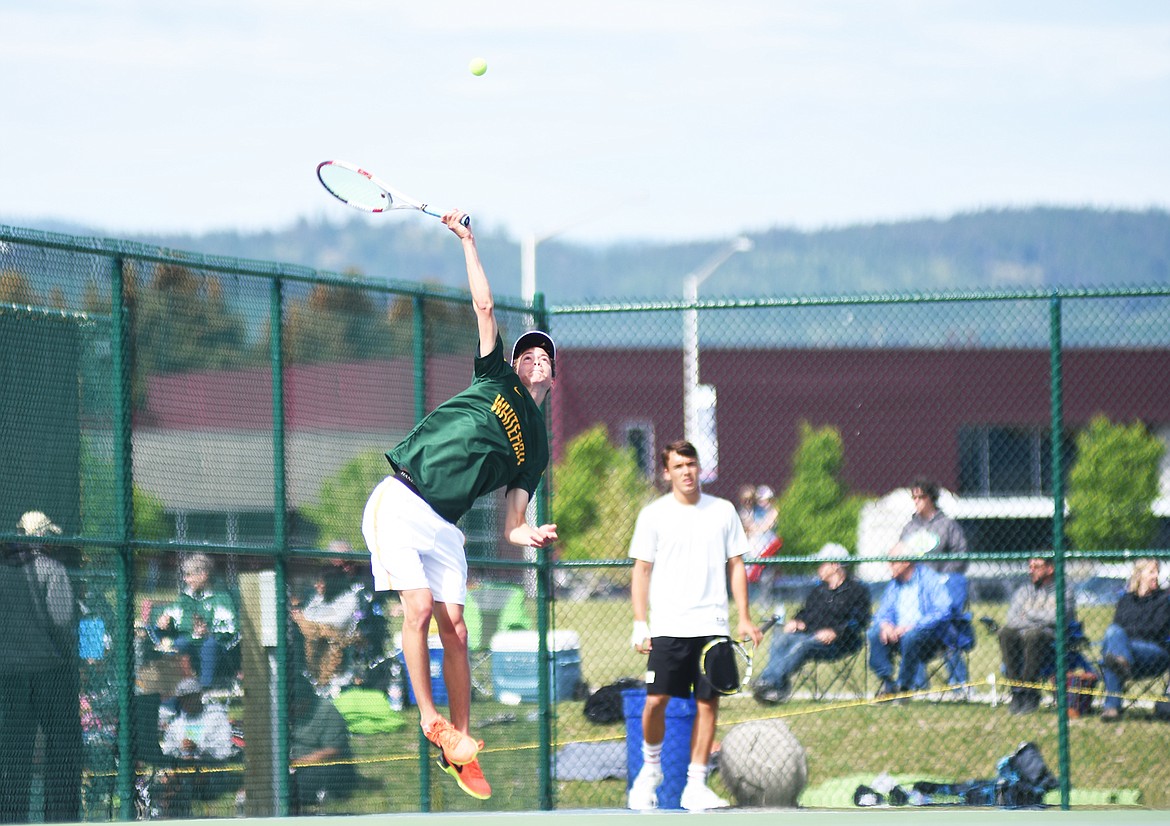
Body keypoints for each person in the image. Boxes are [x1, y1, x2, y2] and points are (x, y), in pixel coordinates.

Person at [360, 209, 557, 802]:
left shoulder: (539, 448)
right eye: (527, 353)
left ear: (553, 373)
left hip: (445, 527)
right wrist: (469, 242)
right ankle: (430, 721)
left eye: (543, 355)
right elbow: (485, 308)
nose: (534, 358)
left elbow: (512, 521)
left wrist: (529, 536)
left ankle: (462, 744)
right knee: (417, 609)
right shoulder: (494, 376)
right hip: (402, 499)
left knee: (460, 633)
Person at [627, 440, 761, 812]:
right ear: (666, 472)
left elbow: (736, 565)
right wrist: (640, 623)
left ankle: (696, 785)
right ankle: (650, 772)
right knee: (655, 702)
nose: (687, 471)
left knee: (708, 704)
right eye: (679, 466)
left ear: (698, 467)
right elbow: (641, 570)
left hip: (713, 624)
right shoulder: (653, 515)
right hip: (668, 626)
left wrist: (744, 617)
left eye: (691, 464)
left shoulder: (723, 511)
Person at [0, 512, 82, 824]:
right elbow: (62, 622)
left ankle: (9, 817)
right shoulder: (52, 569)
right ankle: (60, 817)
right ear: (44, 538)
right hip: (50, 671)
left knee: (12, 750)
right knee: (62, 747)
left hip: (7, 673)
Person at [752, 543, 871, 704]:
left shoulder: (857, 590)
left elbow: (860, 621)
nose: (819, 568)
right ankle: (774, 685)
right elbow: (806, 612)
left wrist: (836, 632)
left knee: (803, 644)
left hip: (841, 642)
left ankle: (769, 683)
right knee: (781, 635)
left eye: (822, 564)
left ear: (835, 566)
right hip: (811, 635)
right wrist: (798, 621)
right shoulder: (819, 590)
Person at [893, 480, 972, 688]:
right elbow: (901, 557)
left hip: (941, 589)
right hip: (915, 591)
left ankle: (959, 685)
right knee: (912, 633)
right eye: (914, 498)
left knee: (947, 631)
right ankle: (918, 686)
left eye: (921, 497)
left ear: (931, 498)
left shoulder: (947, 525)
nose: (917, 502)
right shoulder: (910, 527)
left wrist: (942, 577)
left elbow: (960, 554)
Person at [996, 557, 1076, 715]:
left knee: (1034, 635)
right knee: (1005, 632)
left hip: (1052, 638)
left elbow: (1058, 618)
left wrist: (1029, 614)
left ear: (1050, 569)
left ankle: (1030, 693)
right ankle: (1017, 692)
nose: (1031, 570)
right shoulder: (1024, 591)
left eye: (1036, 566)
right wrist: (1040, 619)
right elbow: (1012, 619)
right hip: (1022, 635)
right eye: (1030, 566)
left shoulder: (1064, 590)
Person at [867, 549, 951, 698]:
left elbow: (943, 609)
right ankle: (888, 683)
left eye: (893, 563)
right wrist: (886, 625)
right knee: (874, 633)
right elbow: (883, 611)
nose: (889, 567)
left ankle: (904, 686)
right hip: (897, 634)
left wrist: (913, 626)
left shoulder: (928, 579)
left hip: (927, 635)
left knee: (911, 636)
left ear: (905, 563)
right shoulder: (894, 584)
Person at [154, 553, 239, 690]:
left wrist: (209, 632)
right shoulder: (184, 598)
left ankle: (206, 689)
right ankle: (176, 689)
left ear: (203, 575)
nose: (185, 580)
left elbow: (231, 629)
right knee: (178, 644)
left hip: (216, 647)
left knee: (209, 645)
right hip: (189, 643)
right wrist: (163, 622)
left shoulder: (221, 598)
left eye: (189, 575)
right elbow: (170, 617)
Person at [1099, 558, 1170, 722]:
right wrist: (1126, 635)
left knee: (1114, 641)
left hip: (1154, 653)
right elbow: (1119, 627)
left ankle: (1112, 705)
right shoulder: (1125, 600)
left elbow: (1156, 629)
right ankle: (1121, 665)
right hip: (1128, 651)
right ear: (1139, 574)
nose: (1156, 576)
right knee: (1113, 640)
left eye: (1157, 572)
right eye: (1151, 572)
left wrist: (1126, 634)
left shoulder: (1162, 600)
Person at [289, 677, 355, 813]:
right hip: (293, 765)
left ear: (305, 700)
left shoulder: (327, 711)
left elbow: (333, 750)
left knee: (304, 781)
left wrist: (297, 763)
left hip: (325, 766)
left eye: (294, 703)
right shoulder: (284, 713)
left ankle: (321, 794)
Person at [291, 566, 360, 690]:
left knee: (311, 628)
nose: (316, 585)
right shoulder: (318, 598)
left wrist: (306, 621)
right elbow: (308, 616)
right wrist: (306, 621)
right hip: (316, 644)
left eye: (320, 582)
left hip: (339, 642)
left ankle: (330, 681)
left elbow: (338, 622)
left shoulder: (349, 598)